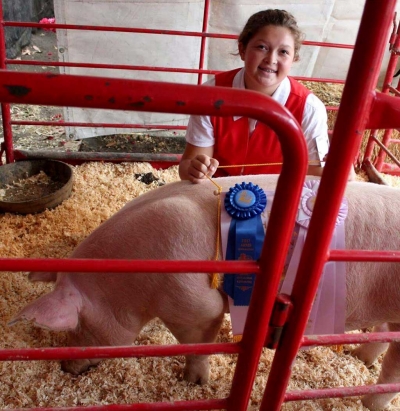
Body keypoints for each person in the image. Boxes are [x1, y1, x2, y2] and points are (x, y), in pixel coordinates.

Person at [179, 9, 335, 183]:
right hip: (217, 192)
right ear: (242, 49)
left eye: (283, 52)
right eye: (262, 47)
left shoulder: (309, 108)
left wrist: (340, 172)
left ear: (294, 58)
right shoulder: (210, 96)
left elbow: (315, 174)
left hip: (277, 196)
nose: (271, 59)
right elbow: (188, 166)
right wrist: (195, 169)